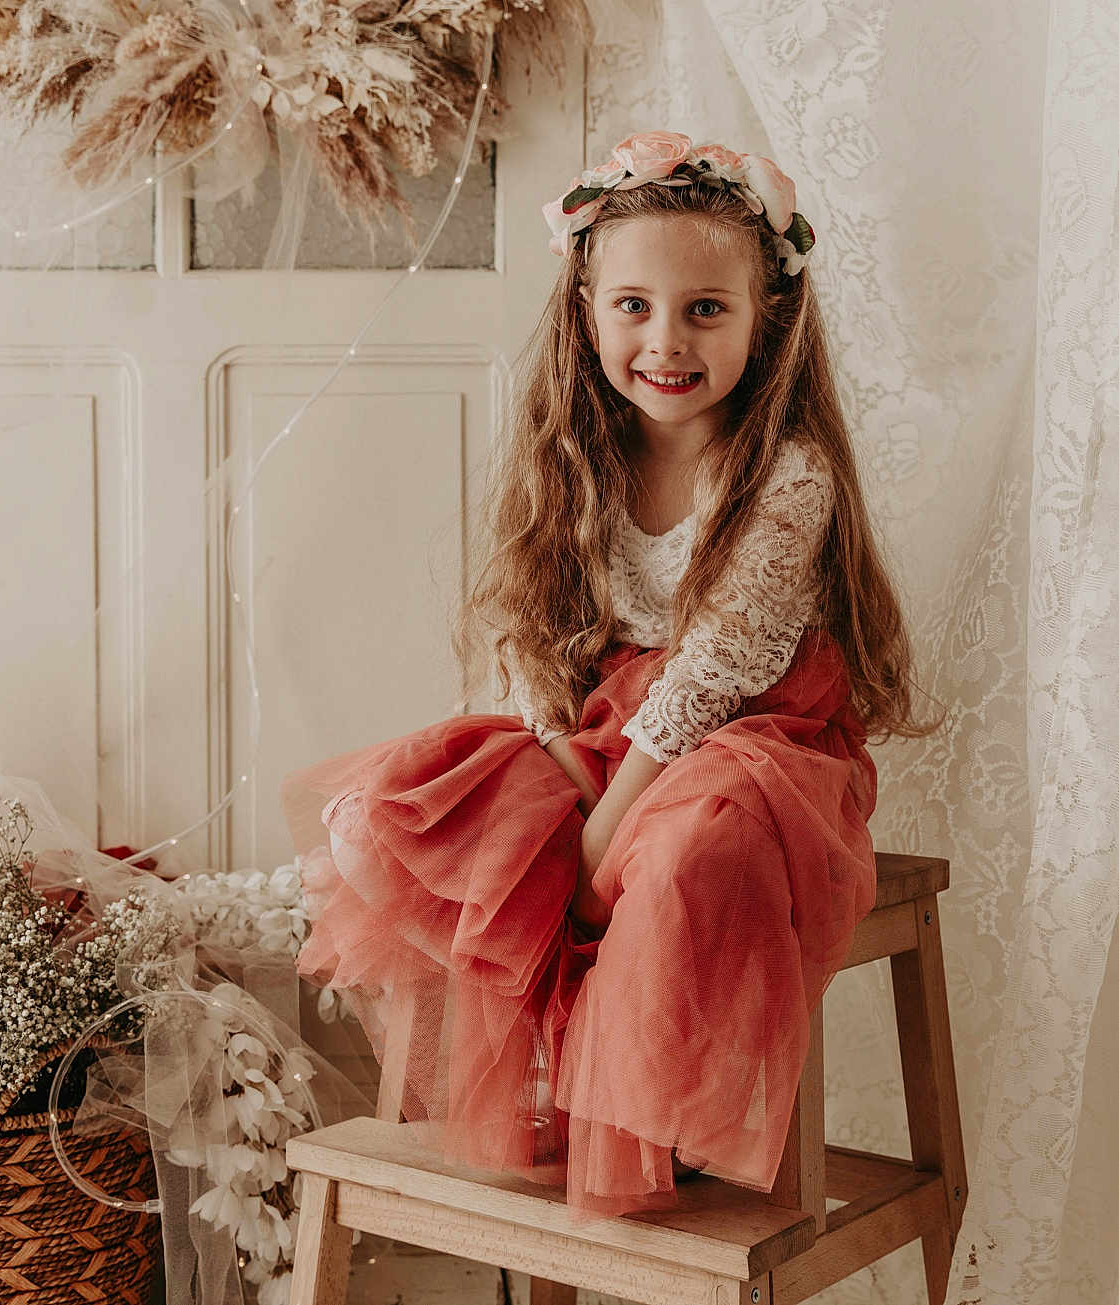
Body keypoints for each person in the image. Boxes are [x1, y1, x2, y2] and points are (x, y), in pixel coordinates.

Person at [278, 129, 945, 1222]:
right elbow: (536, 640)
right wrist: (558, 766)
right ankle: (536, 1098)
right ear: (586, 311)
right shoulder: (580, 452)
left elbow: (709, 679)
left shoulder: (784, 473)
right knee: (418, 810)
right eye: (633, 305)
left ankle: (648, 1118)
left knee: (683, 855)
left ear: (764, 317)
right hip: (598, 731)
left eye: (705, 309)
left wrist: (603, 829)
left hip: (750, 740)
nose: (666, 340)